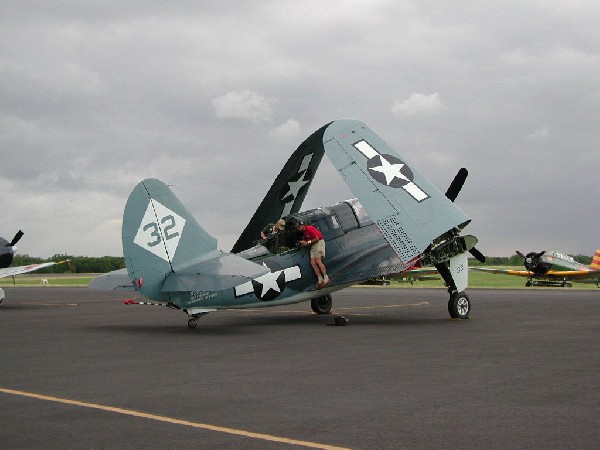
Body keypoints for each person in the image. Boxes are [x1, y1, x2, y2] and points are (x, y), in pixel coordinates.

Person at [297, 222, 329, 289]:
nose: (298, 228)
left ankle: (326, 278)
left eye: (299, 227)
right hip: (314, 245)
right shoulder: (305, 232)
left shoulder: (309, 228)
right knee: (312, 262)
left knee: (318, 261)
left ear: (302, 226)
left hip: (319, 242)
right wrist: (304, 243)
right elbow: (310, 240)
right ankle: (320, 279)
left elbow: (317, 238)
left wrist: (307, 243)